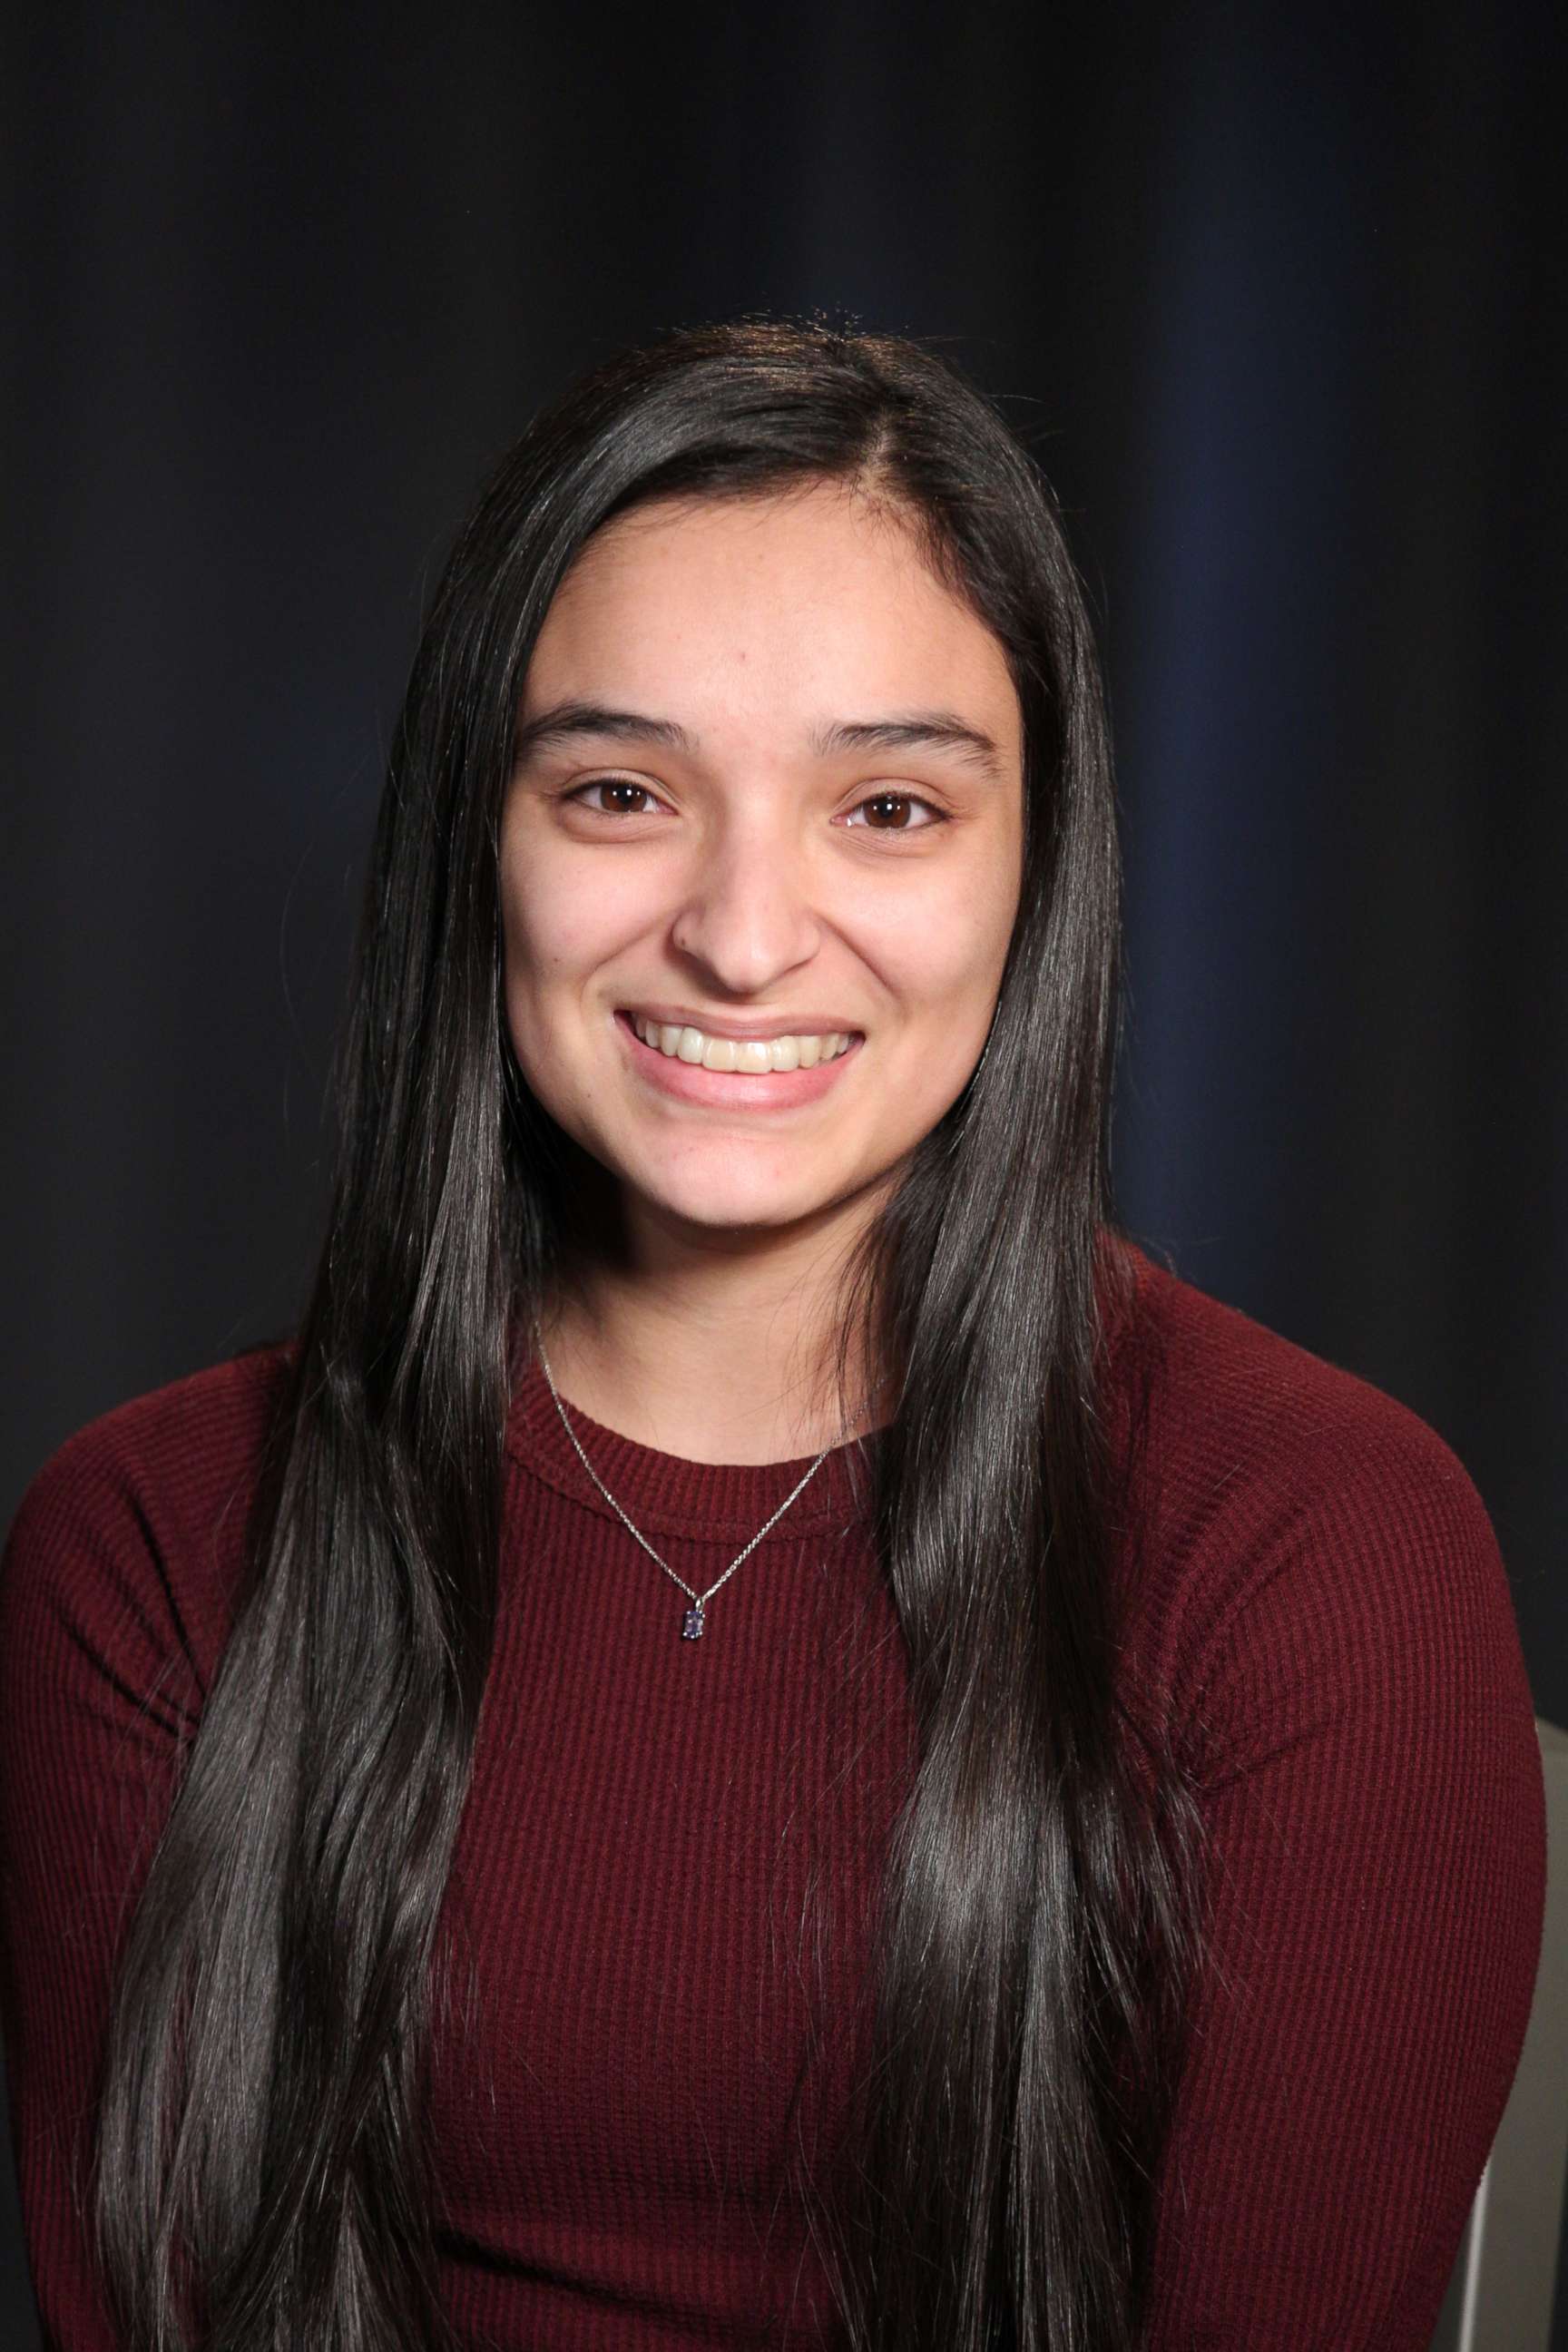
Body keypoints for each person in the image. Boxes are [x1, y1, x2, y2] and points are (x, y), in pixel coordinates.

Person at [0, 319, 1545, 2352]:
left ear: (1034, 869)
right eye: (623, 791)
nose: (743, 932)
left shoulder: (1318, 1546)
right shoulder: (155, 1543)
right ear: (482, 846)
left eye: (889, 809)